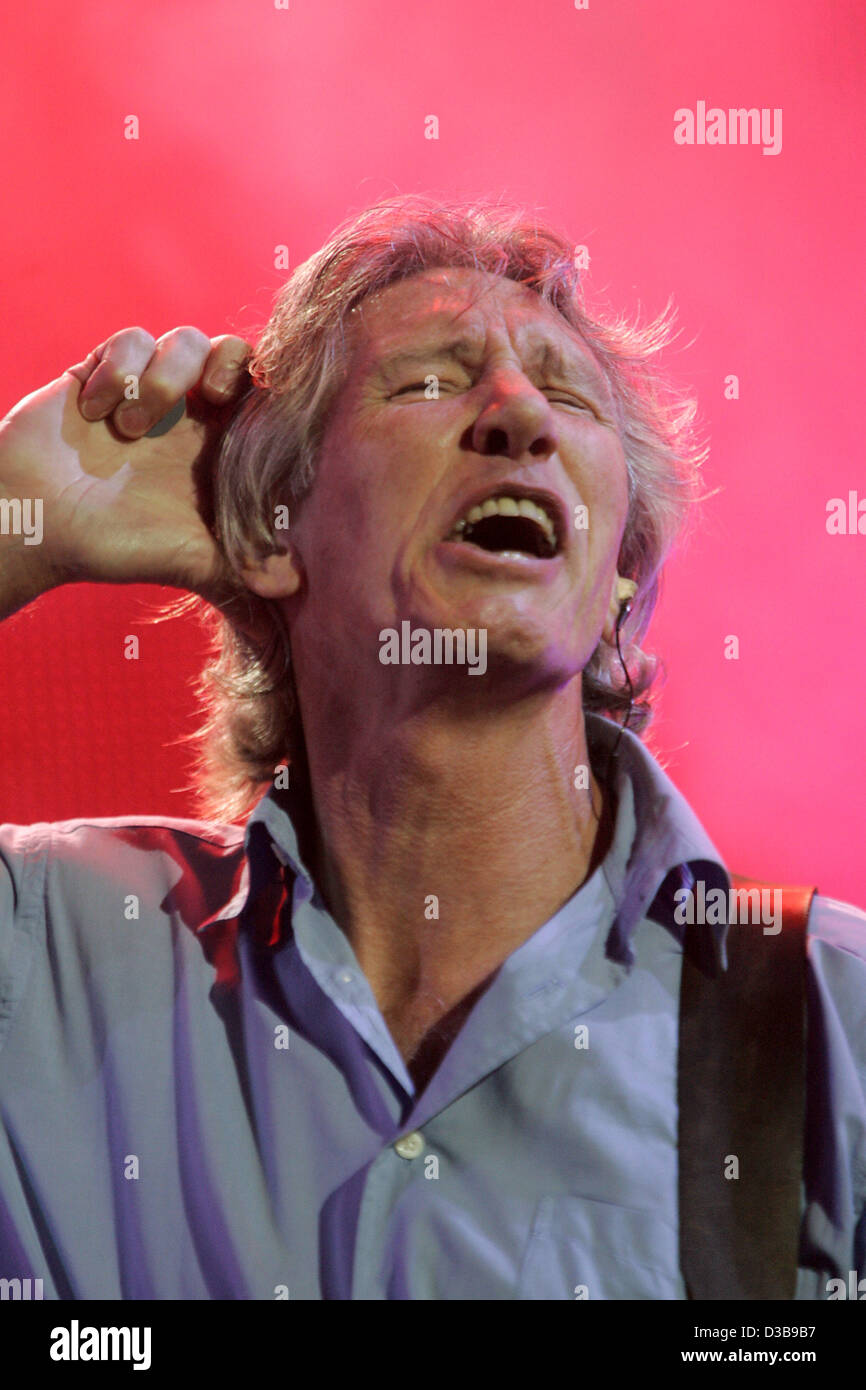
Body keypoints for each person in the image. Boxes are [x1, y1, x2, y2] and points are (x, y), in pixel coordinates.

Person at [0, 195, 863, 1301]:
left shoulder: (826, 1021)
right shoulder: (50, 950)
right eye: (427, 381)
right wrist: (20, 509)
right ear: (272, 528)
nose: (517, 418)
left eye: (565, 396)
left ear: (617, 580)